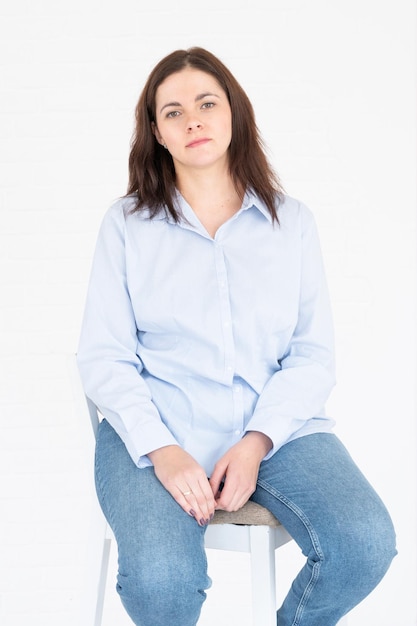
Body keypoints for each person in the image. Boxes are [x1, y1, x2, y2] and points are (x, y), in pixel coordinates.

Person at [77, 47, 396, 626]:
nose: (192, 120)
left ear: (234, 114)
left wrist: (256, 443)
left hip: (275, 427)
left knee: (364, 544)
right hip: (153, 432)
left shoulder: (290, 221)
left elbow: (312, 354)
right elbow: (103, 358)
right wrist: (163, 450)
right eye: (173, 112)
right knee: (162, 585)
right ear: (157, 132)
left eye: (206, 103)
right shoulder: (126, 224)